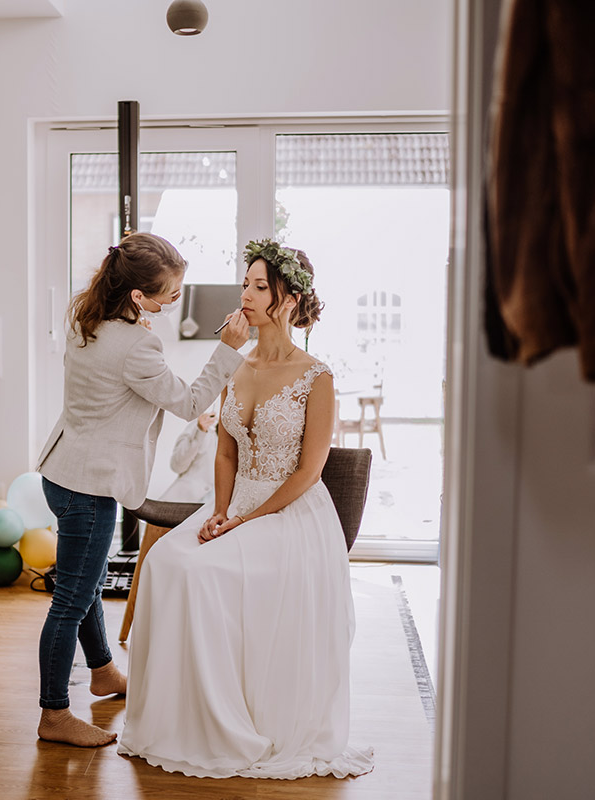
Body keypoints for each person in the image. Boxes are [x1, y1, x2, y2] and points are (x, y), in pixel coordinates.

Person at [118, 239, 375, 779]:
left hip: (291, 512)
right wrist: (219, 511)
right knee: (168, 561)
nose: (248, 295)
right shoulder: (238, 364)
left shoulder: (316, 376)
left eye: (261, 287)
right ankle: (178, 722)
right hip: (234, 504)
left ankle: (230, 722)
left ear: (289, 298)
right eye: (246, 284)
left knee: (204, 570)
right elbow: (227, 449)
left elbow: (308, 472)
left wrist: (245, 521)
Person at [35, 232, 251, 747]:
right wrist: (227, 350)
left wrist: (137, 328)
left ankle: (104, 671)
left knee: (82, 587)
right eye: (170, 295)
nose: (173, 303)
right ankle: (53, 714)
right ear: (139, 297)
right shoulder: (137, 345)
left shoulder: (87, 320)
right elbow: (188, 401)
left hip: (60, 473)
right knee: (70, 600)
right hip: (90, 488)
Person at [159, 408, 218, 503]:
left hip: (220, 511)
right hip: (181, 504)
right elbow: (177, 466)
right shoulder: (202, 427)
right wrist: (200, 432)